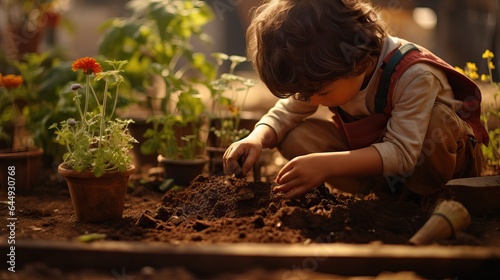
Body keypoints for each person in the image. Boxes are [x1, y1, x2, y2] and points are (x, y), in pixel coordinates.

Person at [222, 0, 488, 207]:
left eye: (321, 93)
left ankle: (429, 201)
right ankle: (381, 197)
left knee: (437, 123)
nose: (311, 101)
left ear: (359, 63)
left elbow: (404, 154)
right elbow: (287, 112)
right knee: (295, 136)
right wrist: (256, 138)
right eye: (304, 94)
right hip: (385, 167)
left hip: (436, 165)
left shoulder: (413, 75)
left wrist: (325, 165)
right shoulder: (329, 72)